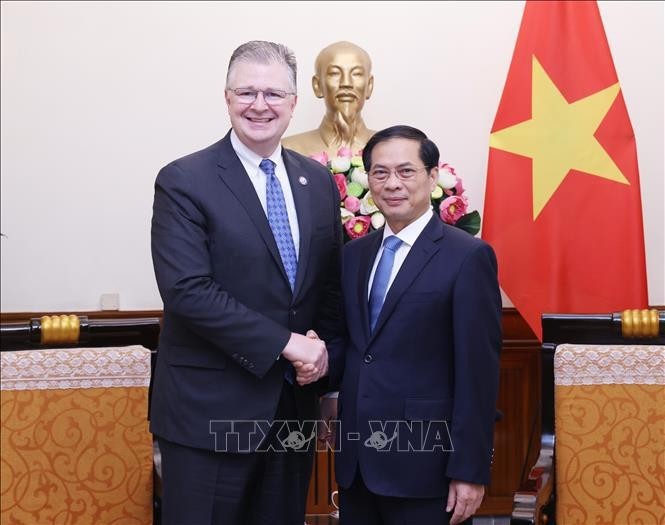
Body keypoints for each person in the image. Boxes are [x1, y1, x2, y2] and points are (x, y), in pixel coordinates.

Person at [150, 40, 342, 525]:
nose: (261, 105)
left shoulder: (317, 183)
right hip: (208, 414)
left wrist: (321, 350)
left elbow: (328, 284)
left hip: (291, 410)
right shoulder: (184, 180)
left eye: (274, 94)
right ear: (227, 97)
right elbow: (188, 291)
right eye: (248, 92)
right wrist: (288, 344)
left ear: (295, 103)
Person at [323, 125, 502, 525]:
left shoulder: (467, 257)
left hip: (428, 469)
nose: (392, 184)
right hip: (357, 465)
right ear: (367, 179)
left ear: (432, 177)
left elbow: (479, 373)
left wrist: (469, 471)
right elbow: (354, 347)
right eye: (380, 173)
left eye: (406, 171)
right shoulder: (354, 254)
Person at [282, 41, 375, 157]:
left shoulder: (393, 148)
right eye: (334, 73)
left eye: (357, 74)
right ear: (318, 85)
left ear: (369, 85)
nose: (346, 83)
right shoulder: (288, 150)